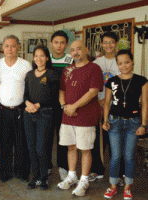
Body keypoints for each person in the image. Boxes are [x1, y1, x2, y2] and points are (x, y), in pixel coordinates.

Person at [57, 40, 103, 197]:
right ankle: (71, 176)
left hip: (86, 115)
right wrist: (65, 106)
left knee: (85, 149)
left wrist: (74, 106)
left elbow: (93, 92)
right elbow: (61, 90)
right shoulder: (67, 70)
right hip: (67, 115)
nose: (75, 52)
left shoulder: (94, 68)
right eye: (72, 50)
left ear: (86, 50)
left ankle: (84, 180)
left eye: (79, 49)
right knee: (70, 147)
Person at [103, 50, 148, 199]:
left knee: (129, 156)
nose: (124, 66)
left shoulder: (142, 80)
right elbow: (107, 103)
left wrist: (143, 125)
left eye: (127, 62)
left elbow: (146, 104)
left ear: (132, 62)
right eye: (120, 63)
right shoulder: (112, 81)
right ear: (117, 64)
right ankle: (113, 186)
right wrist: (105, 121)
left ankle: (128, 187)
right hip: (114, 122)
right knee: (115, 156)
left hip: (133, 123)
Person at [0, 35, 31, 183]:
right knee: (4, 143)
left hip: (21, 110)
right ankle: (5, 172)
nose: (10, 49)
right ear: (3, 48)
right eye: (7, 46)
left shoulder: (26, 65)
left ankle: (21, 172)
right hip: (2, 110)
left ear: (19, 47)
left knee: (21, 142)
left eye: (13, 46)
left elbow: (30, 87)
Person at [23, 45, 59, 190]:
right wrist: (27, 103)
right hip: (28, 114)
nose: (39, 58)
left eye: (42, 55)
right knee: (31, 148)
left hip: (45, 114)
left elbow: (54, 97)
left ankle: (44, 178)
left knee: (41, 148)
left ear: (47, 58)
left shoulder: (52, 74)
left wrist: (37, 105)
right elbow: (25, 94)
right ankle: (35, 177)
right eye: (36, 56)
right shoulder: (29, 75)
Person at [90, 32, 122, 182]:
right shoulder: (97, 63)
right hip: (98, 106)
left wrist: (108, 102)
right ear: (101, 44)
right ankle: (97, 170)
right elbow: (91, 86)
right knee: (97, 140)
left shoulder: (121, 61)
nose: (108, 45)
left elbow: (124, 85)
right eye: (105, 42)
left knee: (116, 142)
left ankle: (120, 173)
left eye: (111, 42)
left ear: (116, 43)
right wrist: (99, 101)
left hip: (116, 107)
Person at [50, 30, 73, 180]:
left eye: (62, 43)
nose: (59, 46)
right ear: (51, 44)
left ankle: (63, 166)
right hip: (46, 104)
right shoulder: (45, 59)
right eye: (56, 42)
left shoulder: (71, 60)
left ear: (66, 45)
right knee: (45, 137)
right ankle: (45, 166)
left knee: (63, 137)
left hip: (64, 105)